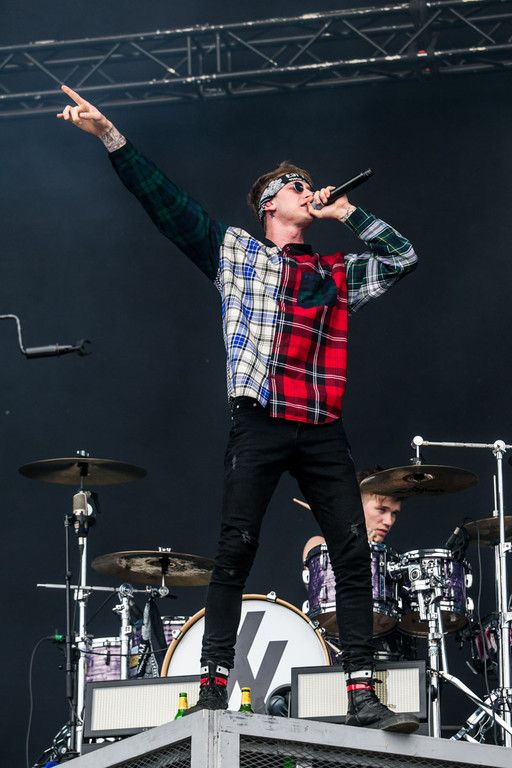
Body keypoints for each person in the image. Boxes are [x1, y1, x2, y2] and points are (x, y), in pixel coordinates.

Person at [57, 85, 419, 731]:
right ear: (269, 204)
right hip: (260, 419)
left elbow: (403, 257)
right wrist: (110, 135)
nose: (307, 189)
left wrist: (349, 212)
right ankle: (213, 690)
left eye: (308, 184)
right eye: (294, 185)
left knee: (352, 554)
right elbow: (167, 205)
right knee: (234, 551)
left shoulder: (335, 273)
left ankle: (362, 691)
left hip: (320, 424)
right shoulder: (235, 253)